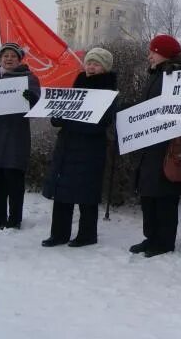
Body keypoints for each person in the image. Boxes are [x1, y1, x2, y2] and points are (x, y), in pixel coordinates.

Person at [41, 47, 117, 247]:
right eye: (89, 62)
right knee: (62, 191)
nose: (91, 67)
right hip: (67, 145)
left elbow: (99, 124)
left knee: (87, 193)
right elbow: (62, 115)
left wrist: (67, 121)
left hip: (91, 148)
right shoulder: (77, 84)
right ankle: (59, 233)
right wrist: (57, 117)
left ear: (105, 68)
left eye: (96, 63)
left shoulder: (108, 91)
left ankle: (87, 234)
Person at [129, 34, 181, 257]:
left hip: (168, 144)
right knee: (148, 191)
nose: (149, 56)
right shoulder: (155, 75)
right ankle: (151, 237)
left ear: (164, 53)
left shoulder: (177, 76)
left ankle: (164, 241)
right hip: (149, 142)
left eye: (153, 51)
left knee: (164, 194)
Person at [0, 42, 40, 229]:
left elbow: (37, 103)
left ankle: (14, 218)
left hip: (14, 135)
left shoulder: (29, 78)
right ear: (0, 58)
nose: (9, 58)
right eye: (5, 55)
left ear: (19, 59)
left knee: (13, 177)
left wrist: (32, 99)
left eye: (13, 56)